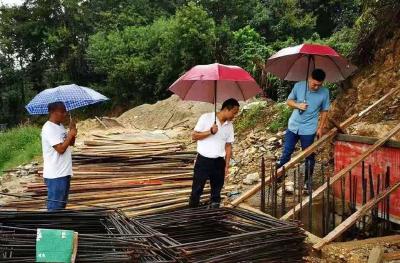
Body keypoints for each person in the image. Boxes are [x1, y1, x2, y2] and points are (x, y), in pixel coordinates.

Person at [277, 69, 330, 190]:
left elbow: (325, 110)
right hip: (293, 126)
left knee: (309, 155)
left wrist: (320, 127)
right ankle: (279, 175)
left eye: (319, 85)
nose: (316, 87)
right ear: (309, 78)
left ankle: (308, 181)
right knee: (287, 152)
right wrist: (298, 105)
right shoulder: (299, 86)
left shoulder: (325, 92)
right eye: (314, 84)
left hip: (309, 129)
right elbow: (289, 101)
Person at [189, 98, 240, 208]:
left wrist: (226, 165)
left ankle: (214, 215)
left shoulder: (229, 125)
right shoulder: (206, 118)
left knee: (216, 193)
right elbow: (194, 136)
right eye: (234, 113)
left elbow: (228, 146)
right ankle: (192, 214)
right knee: (197, 189)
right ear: (226, 109)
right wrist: (210, 131)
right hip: (203, 160)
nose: (234, 116)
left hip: (219, 162)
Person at [41, 102, 77, 211]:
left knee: (61, 207)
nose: (64, 114)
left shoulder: (60, 126)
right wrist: (70, 134)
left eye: (65, 111)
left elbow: (70, 144)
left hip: (64, 172)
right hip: (55, 175)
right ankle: (51, 227)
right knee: (54, 208)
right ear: (52, 112)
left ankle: (58, 226)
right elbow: (60, 149)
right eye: (61, 111)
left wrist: (72, 132)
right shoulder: (48, 128)